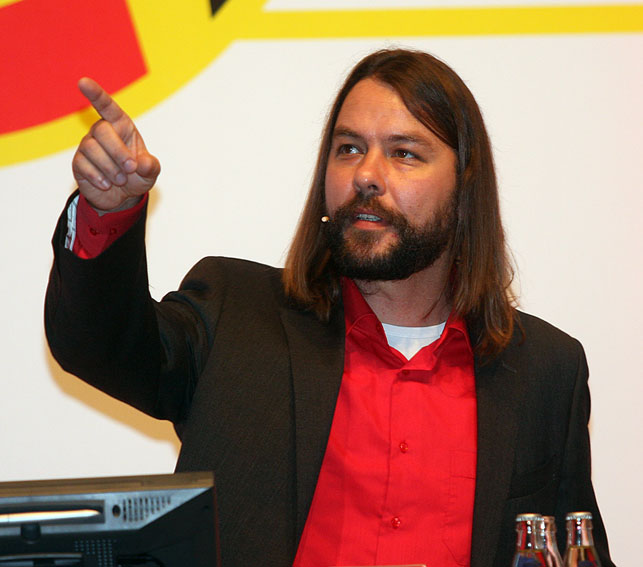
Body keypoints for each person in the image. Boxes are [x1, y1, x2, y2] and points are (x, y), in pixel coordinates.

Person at [45, 49, 615, 567]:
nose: (366, 175)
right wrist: (107, 212)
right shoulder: (234, 315)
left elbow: (575, 551)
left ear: (465, 186)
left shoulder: (545, 370)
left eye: (404, 153)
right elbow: (97, 344)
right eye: (349, 149)